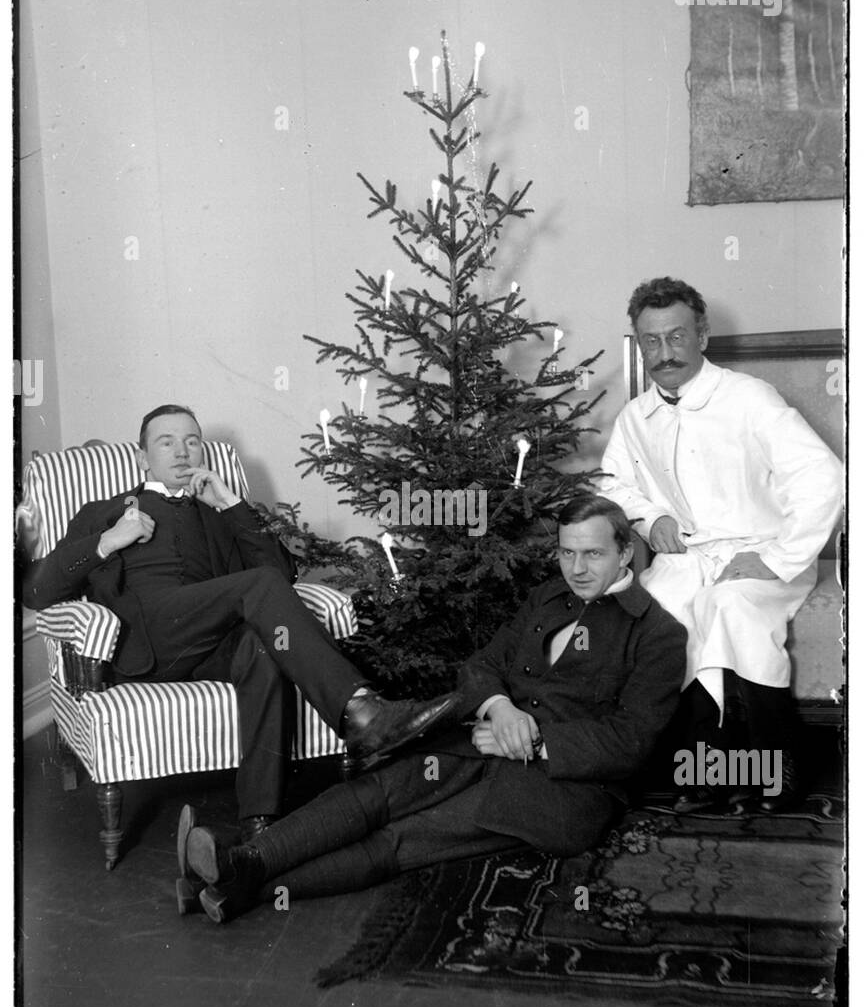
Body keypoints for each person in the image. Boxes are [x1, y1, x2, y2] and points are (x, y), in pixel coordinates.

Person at [175, 494, 688, 923]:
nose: (576, 569)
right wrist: (500, 706)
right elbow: (482, 664)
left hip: (557, 788)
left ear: (626, 554)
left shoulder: (658, 635)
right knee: (373, 792)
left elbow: (633, 742)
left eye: (593, 555)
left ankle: (240, 884)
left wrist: (534, 740)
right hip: (479, 744)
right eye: (566, 553)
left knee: (400, 840)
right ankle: (243, 861)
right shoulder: (548, 598)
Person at [21, 404, 461, 840]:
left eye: (192, 441)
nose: (182, 452)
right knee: (258, 589)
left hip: (210, 645)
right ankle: (361, 713)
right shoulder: (104, 512)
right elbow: (35, 592)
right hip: (146, 642)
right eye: (166, 442)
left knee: (264, 648)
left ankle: (260, 824)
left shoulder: (219, 513)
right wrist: (108, 541)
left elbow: (281, 578)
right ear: (142, 457)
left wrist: (231, 504)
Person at [596, 277, 843, 811]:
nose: (665, 354)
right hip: (689, 553)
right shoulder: (637, 417)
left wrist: (776, 557)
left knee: (730, 607)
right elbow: (612, 482)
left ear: (702, 337)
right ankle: (704, 769)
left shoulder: (749, 398)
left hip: (763, 552)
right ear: (640, 344)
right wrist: (652, 514)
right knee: (654, 614)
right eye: (652, 342)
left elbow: (824, 475)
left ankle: (779, 769)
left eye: (678, 337)